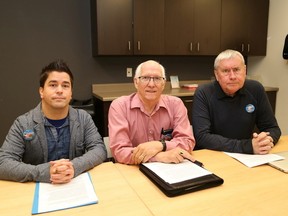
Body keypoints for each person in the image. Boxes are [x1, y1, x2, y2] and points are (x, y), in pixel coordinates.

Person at [0, 60, 107, 183]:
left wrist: (73, 167)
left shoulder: (83, 118)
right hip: (36, 188)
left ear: (71, 93)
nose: (60, 90)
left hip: (74, 185)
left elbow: (99, 149)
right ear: (41, 91)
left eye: (65, 85)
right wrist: (45, 172)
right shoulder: (23, 123)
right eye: (53, 85)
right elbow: (3, 162)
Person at [192, 49, 281, 154]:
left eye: (236, 70)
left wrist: (266, 141)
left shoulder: (256, 89)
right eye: (225, 71)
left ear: (245, 70)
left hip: (246, 157)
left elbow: (272, 128)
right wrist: (247, 147)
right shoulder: (204, 92)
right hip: (214, 154)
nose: (232, 76)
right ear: (216, 74)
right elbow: (202, 137)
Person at [108, 60, 195, 165]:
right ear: (136, 82)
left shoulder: (176, 104)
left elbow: (187, 141)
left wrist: (161, 145)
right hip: (134, 170)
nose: (151, 84)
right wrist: (159, 156)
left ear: (163, 84)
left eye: (157, 79)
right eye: (145, 78)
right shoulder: (119, 106)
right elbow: (120, 151)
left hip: (171, 168)